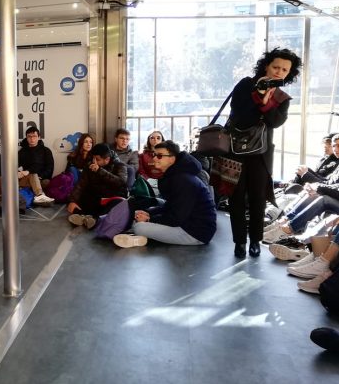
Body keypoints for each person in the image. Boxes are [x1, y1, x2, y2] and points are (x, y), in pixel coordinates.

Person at [227, 47, 302, 258]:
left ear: (289, 74)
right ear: (266, 65)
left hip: (261, 154)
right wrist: (257, 96)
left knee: (258, 198)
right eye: (276, 67)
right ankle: (239, 242)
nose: (279, 72)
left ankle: (255, 241)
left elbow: (276, 121)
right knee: (236, 198)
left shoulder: (282, 97)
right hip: (235, 150)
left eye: (284, 70)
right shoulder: (246, 84)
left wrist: (266, 102)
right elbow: (239, 114)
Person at [113, 141, 216, 248]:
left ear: (172, 158)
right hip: (187, 223)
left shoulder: (183, 180)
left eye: (159, 156)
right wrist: (149, 213)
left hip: (196, 232)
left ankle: (140, 236)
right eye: (154, 155)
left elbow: (177, 217)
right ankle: (142, 238)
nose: (154, 158)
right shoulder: (176, 175)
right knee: (150, 210)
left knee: (139, 227)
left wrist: (149, 219)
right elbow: (171, 206)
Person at [66, 143, 128, 227]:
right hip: (97, 197)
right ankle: (86, 218)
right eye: (93, 158)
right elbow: (81, 184)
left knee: (118, 203)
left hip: (112, 196)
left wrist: (100, 171)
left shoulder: (120, 165)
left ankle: (93, 219)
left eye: (97, 159)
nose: (94, 161)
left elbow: (120, 182)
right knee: (84, 196)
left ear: (107, 159)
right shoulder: (90, 165)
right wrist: (72, 201)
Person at [17, 126, 55, 204]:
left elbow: (50, 167)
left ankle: (38, 195)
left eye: (34, 136)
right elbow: (16, 166)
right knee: (32, 174)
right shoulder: (22, 152)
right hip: (25, 179)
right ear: (26, 138)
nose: (32, 139)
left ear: (39, 137)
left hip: (41, 179)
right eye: (29, 136)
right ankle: (40, 195)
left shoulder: (46, 151)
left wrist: (40, 176)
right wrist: (19, 173)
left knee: (35, 175)